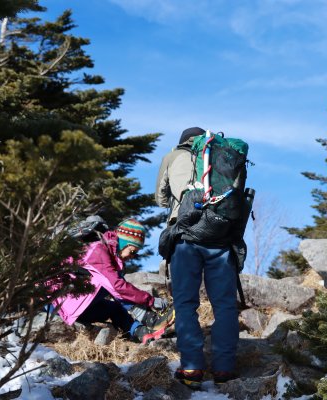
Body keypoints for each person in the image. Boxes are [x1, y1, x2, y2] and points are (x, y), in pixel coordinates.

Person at [156, 127, 240, 389]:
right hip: (220, 236)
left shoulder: (173, 156)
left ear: (183, 142)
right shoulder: (223, 155)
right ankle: (224, 368)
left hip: (185, 237)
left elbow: (160, 198)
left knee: (185, 303)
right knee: (225, 305)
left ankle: (192, 367)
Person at [52, 218, 174, 343]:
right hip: (61, 305)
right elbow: (117, 287)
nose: (131, 257)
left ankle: (141, 333)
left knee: (115, 308)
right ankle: (151, 320)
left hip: (73, 305)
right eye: (132, 251)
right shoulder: (97, 250)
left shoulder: (108, 252)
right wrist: (151, 301)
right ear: (123, 243)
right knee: (114, 285)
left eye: (135, 254)